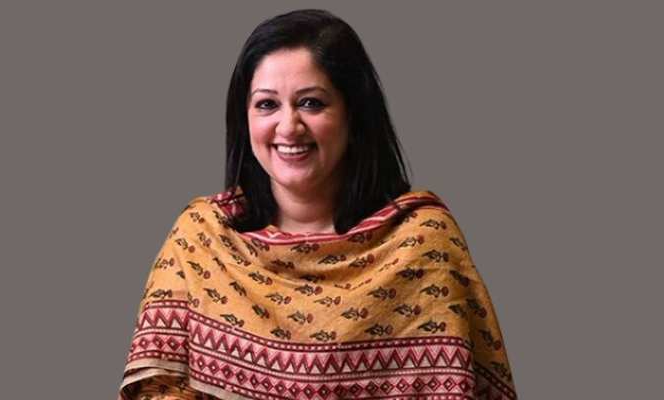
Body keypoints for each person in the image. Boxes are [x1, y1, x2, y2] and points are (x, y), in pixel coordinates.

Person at [117, 8, 518, 400]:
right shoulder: (202, 239)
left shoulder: (422, 244)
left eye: (311, 103)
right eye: (267, 104)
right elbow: (157, 391)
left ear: (353, 115)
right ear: (245, 118)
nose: (288, 126)